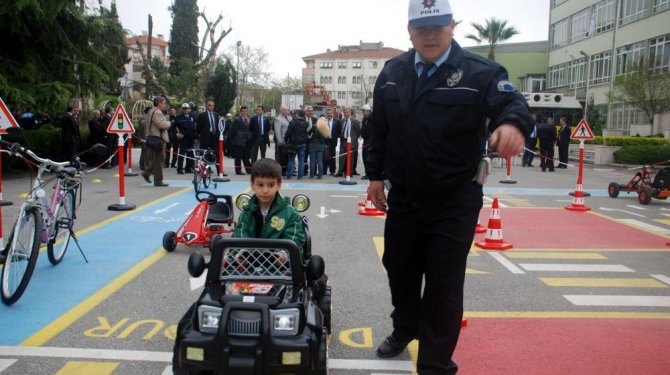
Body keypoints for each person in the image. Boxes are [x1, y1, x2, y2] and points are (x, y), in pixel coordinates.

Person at [365, 1, 529, 373]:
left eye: (438, 26)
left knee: (443, 281)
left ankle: (436, 364)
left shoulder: (480, 72)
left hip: (454, 198)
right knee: (400, 268)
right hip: (404, 196)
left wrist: (513, 125)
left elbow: (511, 102)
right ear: (408, 30)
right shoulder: (393, 72)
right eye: (421, 28)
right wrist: (375, 175)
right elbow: (378, 128)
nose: (430, 34)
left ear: (453, 26)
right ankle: (405, 328)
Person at [232, 158, 306, 253]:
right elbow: (240, 234)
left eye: (271, 185)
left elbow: (295, 237)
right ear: (252, 185)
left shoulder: (290, 213)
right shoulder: (247, 212)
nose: (265, 190)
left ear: (279, 185)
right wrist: (241, 252)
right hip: (249, 261)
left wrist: (284, 254)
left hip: (280, 262)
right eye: (260, 185)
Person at [141, 96, 171, 187]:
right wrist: (169, 123)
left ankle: (148, 173)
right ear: (159, 104)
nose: (164, 105)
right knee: (159, 160)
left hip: (154, 137)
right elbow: (161, 124)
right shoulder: (157, 112)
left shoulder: (152, 111)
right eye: (163, 103)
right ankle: (157, 180)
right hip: (157, 138)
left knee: (157, 159)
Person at [335, 108, 360, 177]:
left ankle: (349, 172)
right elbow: (340, 130)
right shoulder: (341, 121)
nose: (346, 114)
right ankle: (340, 171)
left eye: (347, 112)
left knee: (350, 158)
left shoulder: (355, 122)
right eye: (345, 112)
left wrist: (353, 139)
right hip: (343, 142)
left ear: (350, 113)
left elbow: (358, 132)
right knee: (341, 157)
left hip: (351, 142)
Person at [285, 109, 309, 180]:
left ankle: (289, 175)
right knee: (301, 160)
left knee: (291, 160)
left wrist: (286, 140)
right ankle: (300, 176)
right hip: (303, 143)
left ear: (297, 115)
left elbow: (288, 132)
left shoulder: (292, 122)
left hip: (293, 143)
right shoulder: (306, 123)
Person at [229, 106, 253, 175]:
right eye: (243, 111)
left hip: (246, 142)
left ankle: (249, 170)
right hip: (238, 142)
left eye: (246, 111)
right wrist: (234, 140)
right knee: (238, 157)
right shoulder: (237, 120)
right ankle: (238, 170)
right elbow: (233, 131)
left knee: (246, 157)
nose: (244, 112)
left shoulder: (248, 119)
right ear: (240, 112)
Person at [175, 103, 197, 174]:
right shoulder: (178, 117)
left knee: (190, 154)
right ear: (182, 109)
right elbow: (173, 127)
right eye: (184, 108)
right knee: (182, 154)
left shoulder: (192, 117)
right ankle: (179, 169)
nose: (185, 110)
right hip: (183, 138)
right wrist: (177, 133)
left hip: (191, 138)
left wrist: (195, 137)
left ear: (189, 109)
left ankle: (188, 168)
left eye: (186, 108)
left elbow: (195, 127)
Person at [274, 106, 291, 177]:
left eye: (288, 110)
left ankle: (287, 170)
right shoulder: (278, 119)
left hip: (289, 141)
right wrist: (280, 142)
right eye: (286, 110)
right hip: (283, 142)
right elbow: (277, 132)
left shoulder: (290, 118)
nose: (288, 111)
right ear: (282, 111)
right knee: (281, 158)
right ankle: (281, 171)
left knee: (287, 157)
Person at [325, 108, 340, 176]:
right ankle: (324, 170)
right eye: (328, 113)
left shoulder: (337, 121)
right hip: (325, 141)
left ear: (333, 114)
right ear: (326, 114)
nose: (329, 114)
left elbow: (339, 131)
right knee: (324, 155)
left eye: (331, 113)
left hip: (332, 141)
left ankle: (332, 170)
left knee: (332, 156)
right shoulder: (324, 121)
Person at [360, 104, 373, 179]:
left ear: (367, 111)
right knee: (364, 157)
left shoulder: (371, 118)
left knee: (368, 158)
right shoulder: (365, 118)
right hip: (365, 140)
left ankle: (369, 173)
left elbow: (371, 130)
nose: (362, 112)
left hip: (370, 141)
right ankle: (367, 172)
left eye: (363, 111)